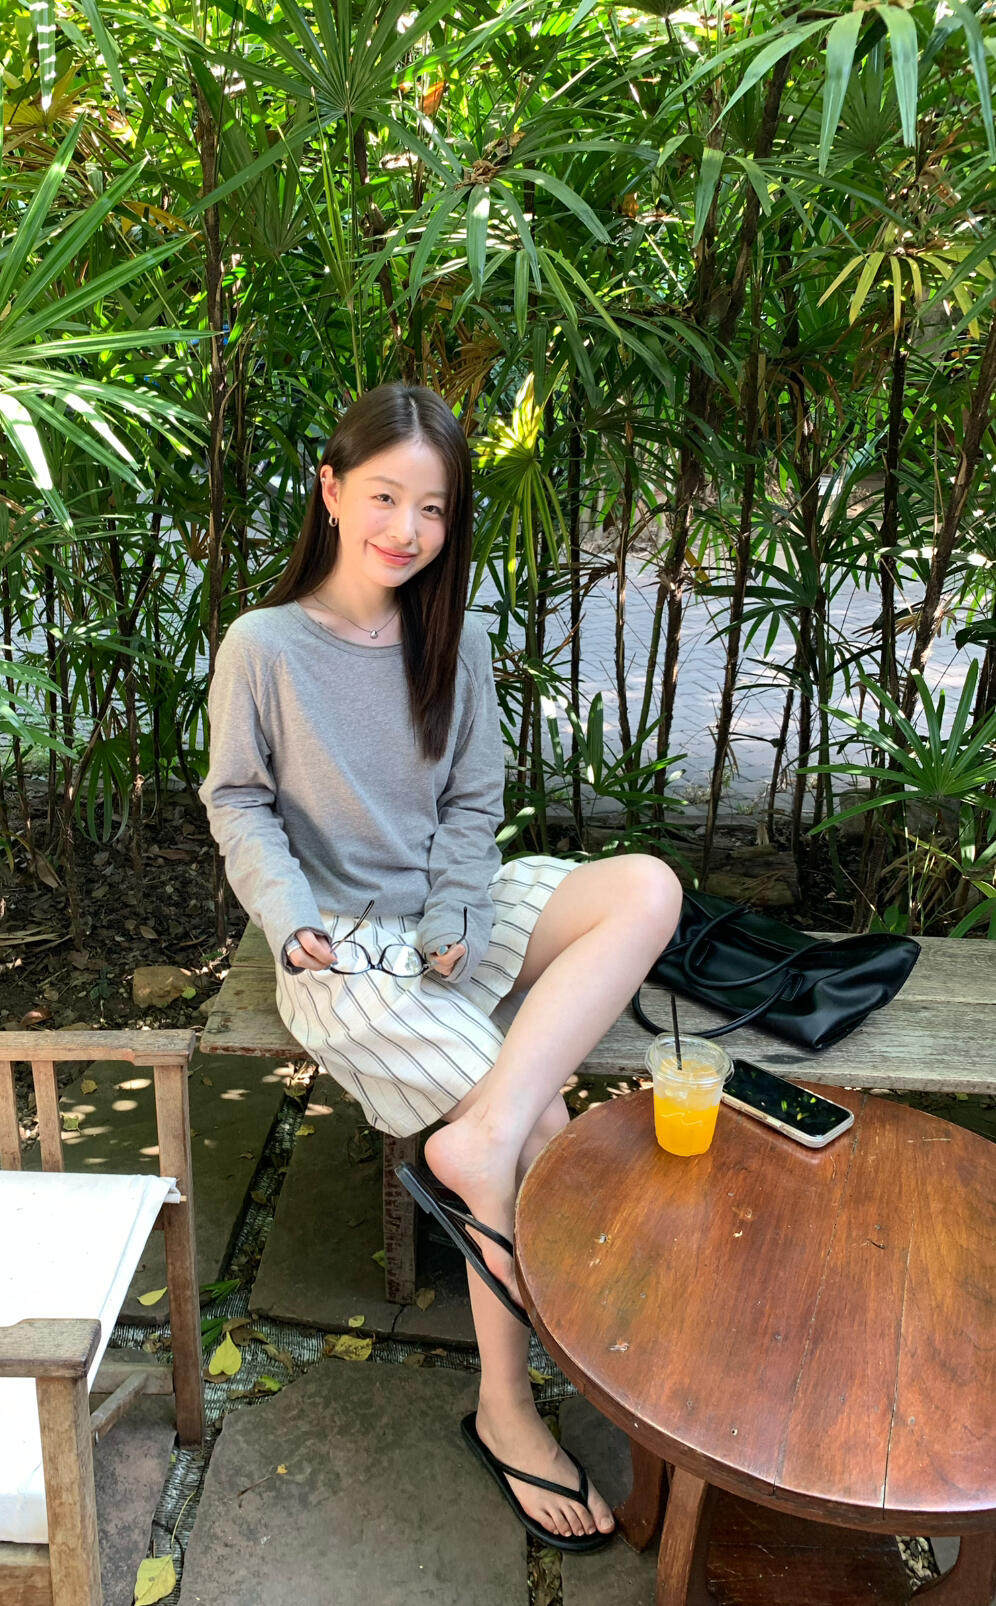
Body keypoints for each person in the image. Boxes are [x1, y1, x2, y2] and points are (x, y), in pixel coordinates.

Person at [197, 383, 683, 1550]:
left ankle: (489, 1128)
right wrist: (288, 916)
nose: (406, 529)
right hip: (340, 948)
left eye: (431, 508)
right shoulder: (263, 645)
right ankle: (508, 1409)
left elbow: (472, 802)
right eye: (383, 497)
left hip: (439, 918)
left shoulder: (447, 634)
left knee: (647, 888)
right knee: (539, 1129)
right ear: (330, 489)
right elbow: (238, 802)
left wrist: (463, 907)